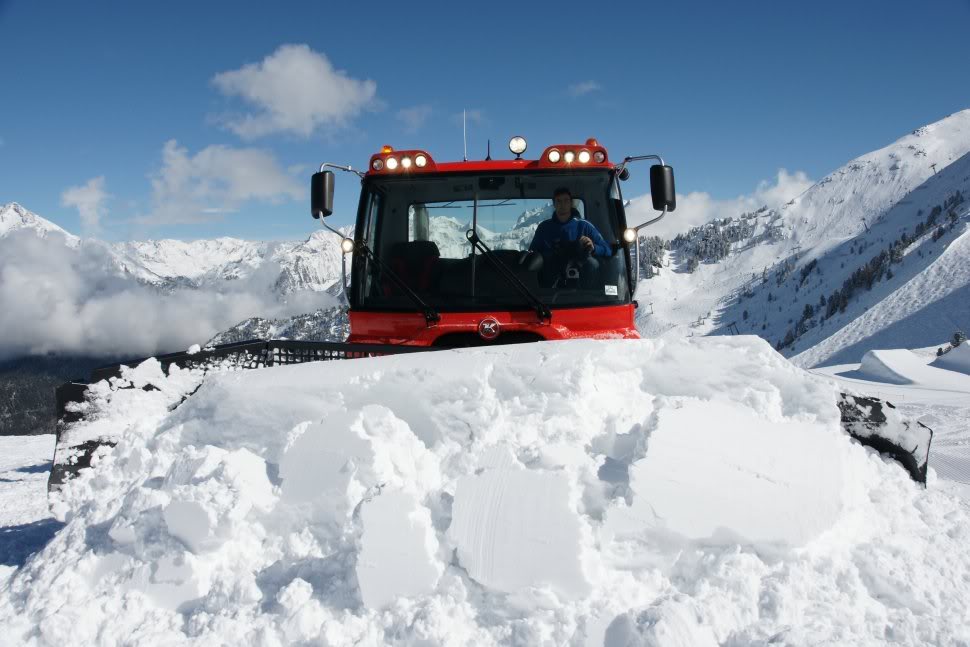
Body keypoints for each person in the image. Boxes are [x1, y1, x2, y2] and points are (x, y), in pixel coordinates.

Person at [529, 188, 611, 286]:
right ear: (554, 204)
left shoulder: (584, 226)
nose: (562, 204)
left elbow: (607, 250)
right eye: (559, 201)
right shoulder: (544, 228)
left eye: (566, 200)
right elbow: (533, 254)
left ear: (571, 203)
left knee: (592, 263)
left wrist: (593, 247)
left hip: (583, 291)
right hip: (548, 289)